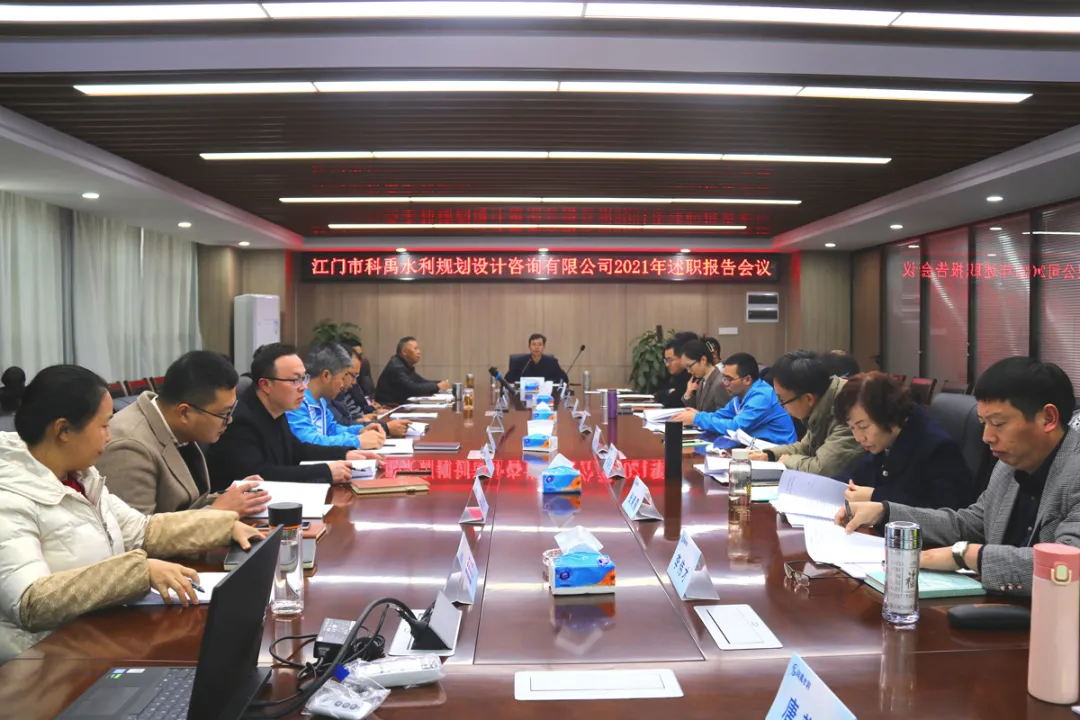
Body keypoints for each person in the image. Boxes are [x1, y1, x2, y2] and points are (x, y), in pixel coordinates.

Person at [0, 365, 262, 661]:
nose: (109, 437)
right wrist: (139, 571)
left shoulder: (80, 477)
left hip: (95, 636)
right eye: (103, 426)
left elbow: (142, 530)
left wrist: (222, 525)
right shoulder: (10, 495)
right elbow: (30, 601)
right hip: (40, 661)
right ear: (63, 431)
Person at [838, 357, 1080, 597]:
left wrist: (964, 555)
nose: (987, 437)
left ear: (1048, 418)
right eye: (983, 423)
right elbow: (970, 523)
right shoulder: (1009, 465)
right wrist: (885, 512)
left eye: (998, 423)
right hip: (999, 602)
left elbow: (1067, 566)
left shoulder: (1073, 471)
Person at [97, 351, 271, 515]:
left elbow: (185, 506)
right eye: (224, 414)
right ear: (184, 412)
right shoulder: (129, 447)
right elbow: (138, 532)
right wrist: (217, 512)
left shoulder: (173, 425)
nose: (230, 420)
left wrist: (228, 497)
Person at [206, 343, 377, 491]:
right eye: (295, 380)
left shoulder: (276, 410)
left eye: (304, 378)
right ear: (266, 385)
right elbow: (261, 474)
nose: (304, 387)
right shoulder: (240, 421)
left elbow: (296, 450)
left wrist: (345, 454)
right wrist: (325, 471)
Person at [834, 372, 976, 509]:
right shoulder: (884, 440)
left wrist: (875, 496)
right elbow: (856, 475)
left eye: (863, 426)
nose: (858, 437)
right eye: (852, 428)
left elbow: (944, 512)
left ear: (888, 415)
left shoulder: (938, 449)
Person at [749, 350, 863, 477]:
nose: (781, 406)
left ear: (808, 398)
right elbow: (806, 447)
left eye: (782, 400)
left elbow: (822, 469)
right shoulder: (822, 401)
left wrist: (787, 461)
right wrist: (769, 455)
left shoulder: (847, 408)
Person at [676, 352, 797, 445]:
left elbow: (735, 427)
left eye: (729, 379)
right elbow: (721, 415)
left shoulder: (762, 396)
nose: (724, 383)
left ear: (747, 380)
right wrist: (698, 415)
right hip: (757, 449)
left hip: (777, 453)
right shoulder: (740, 396)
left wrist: (697, 418)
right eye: (724, 378)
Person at [286, 343, 388, 450]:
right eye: (342, 377)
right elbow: (309, 442)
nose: (343, 384)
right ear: (326, 375)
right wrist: (357, 441)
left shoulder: (321, 400)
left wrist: (360, 431)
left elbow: (332, 429)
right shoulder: (297, 401)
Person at [374, 336, 450, 406]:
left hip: (400, 406)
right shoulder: (396, 367)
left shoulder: (404, 364)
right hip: (388, 408)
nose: (419, 352)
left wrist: (439, 383)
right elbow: (412, 389)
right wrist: (437, 386)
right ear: (404, 352)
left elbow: (420, 381)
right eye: (415, 349)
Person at [679, 339, 729, 412]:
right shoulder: (702, 380)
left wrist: (699, 415)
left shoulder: (720, 383)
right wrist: (688, 394)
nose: (688, 371)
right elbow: (697, 409)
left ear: (703, 360)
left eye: (690, 366)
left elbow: (723, 416)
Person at [655, 331, 698, 408]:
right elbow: (659, 395)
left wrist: (669, 393)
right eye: (665, 360)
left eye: (669, 360)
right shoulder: (673, 375)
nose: (667, 364)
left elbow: (674, 401)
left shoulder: (693, 376)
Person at [505, 333, 569, 384]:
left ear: (544, 347)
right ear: (529, 347)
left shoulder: (552, 362)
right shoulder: (520, 362)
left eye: (540, 344)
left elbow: (564, 380)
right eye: (534, 344)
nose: (536, 347)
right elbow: (507, 379)